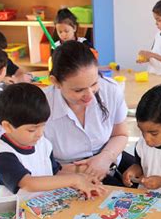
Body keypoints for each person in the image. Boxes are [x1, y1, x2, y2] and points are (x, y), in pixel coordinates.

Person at [0, 83, 106, 199]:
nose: (39, 133)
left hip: (40, 206)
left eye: (43, 126)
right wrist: (75, 180)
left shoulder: (43, 143)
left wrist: (83, 177)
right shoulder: (2, 154)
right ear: (7, 126)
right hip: (9, 213)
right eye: (31, 130)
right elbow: (29, 184)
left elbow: (54, 172)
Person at [44, 41, 134, 186]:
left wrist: (105, 157)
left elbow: (120, 134)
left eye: (94, 84)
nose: (90, 95)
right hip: (64, 173)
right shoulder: (42, 106)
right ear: (56, 82)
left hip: (109, 158)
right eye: (78, 90)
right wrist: (83, 170)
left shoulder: (110, 90)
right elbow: (36, 161)